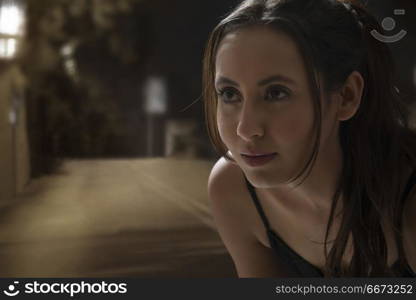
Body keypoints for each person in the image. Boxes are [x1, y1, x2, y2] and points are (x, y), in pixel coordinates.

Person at [203, 0, 416, 277]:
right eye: (230, 94)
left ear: (346, 97)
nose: (246, 128)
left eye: (276, 93)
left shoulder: (408, 204)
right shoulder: (233, 188)